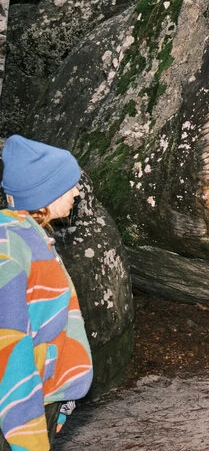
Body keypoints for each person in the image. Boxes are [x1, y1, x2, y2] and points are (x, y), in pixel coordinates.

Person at [0, 136, 93, 451]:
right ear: (44, 192)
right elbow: (9, 345)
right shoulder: (10, 248)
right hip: (21, 412)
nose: (77, 192)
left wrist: (63, 393)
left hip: (43, 397)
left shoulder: (32, 238)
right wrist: (28, 438)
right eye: (69, 185)